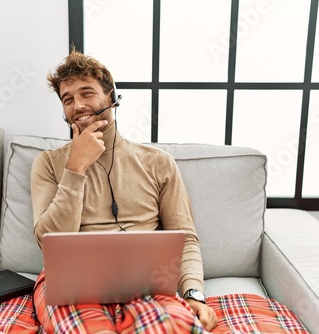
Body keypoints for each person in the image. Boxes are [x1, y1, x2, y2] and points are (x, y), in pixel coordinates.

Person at [31, 49, 218, 333]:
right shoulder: (47, 163)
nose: (77, 105)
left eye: (86, 93)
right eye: (67, 99)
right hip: (72, 283)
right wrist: (76, 167)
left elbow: (187, 238)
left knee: (177, 327)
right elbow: (48, 241)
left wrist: (193, 294)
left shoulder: (157, 162)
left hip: (145, 282)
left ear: (112, 99)